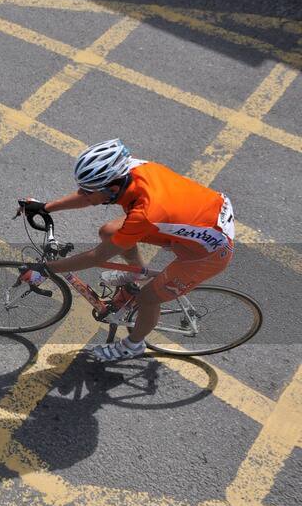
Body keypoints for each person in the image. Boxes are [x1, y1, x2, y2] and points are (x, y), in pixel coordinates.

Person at [20, 139, 235, 361]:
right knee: (109, 232)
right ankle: (136, 272)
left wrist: (46, 269)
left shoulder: (145, 213)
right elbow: (89, 200)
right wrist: (45, 207)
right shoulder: (130, 169)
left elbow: (98, 256)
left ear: (112, 188)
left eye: (88, 191)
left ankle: (133, 345)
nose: (82, 194)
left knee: (147, 299)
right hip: (203, 214)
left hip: (209, 252)